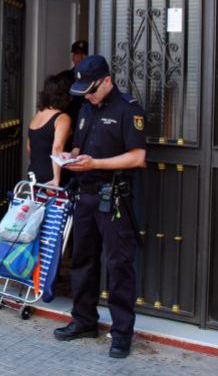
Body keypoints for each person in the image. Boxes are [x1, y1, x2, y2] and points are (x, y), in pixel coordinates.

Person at [53, 55, 146, 359]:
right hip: (85, 194)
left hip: (113, 197)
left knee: (119, 266)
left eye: (92, 90)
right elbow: (81, 145)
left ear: (107, 80)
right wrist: (72, 157)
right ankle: (84, 320)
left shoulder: (128, 108)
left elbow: (137, 157)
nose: (88, 96)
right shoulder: (84, 107)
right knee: (82, 261)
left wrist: (97, 163)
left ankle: (121, 333)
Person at [26, 73, 73, 186]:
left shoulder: (37, 115)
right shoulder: (62, 118)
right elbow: (57, 148)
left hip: (33, 173)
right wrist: (56, 179)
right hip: (52, 176)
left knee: (37, 203)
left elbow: (29, 147)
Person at [61, 40, 88, 148]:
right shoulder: (65, 78)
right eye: (77, 54)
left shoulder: (95, 78)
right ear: (73, 57)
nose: (80, 58)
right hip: (70, 125)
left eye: (84, 54)